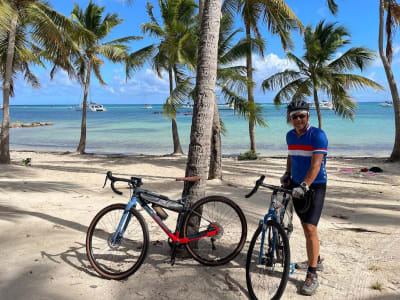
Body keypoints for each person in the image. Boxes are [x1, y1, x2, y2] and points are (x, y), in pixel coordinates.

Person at [280, 99, 328, 296]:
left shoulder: (317, 135)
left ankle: (312, 272)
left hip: (314, 185)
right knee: (304, 225)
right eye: (294, 116)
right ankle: (316, 257)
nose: (298, 119)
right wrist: (287, 174)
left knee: (310, 228)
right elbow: (291, 156)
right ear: (290, 119)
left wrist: (305, 186)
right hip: (295, 183)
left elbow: (316, 166)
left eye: (302, 115)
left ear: (308, 116)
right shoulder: (290, 135)